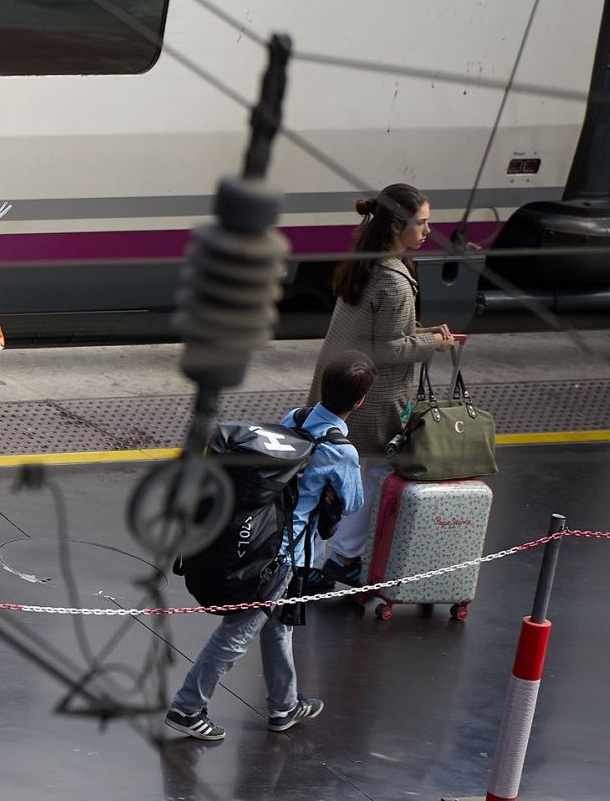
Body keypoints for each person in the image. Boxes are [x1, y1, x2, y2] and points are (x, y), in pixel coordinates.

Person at [166, 350, 375, 741]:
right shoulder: (341, 451)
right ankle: (187, 707)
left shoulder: (294, 418)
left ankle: (284, 705)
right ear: (360, 401)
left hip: (260, 538)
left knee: (278, 627)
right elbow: (355, 503)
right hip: (280, 557)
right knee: (237, 633)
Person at [309, 184, 457, 586]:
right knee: (365, 478)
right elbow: (389, 348)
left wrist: (422, 333)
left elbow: (375, 332)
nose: (428, 231)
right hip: (370, 399)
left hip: (336, 384)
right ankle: (343, 558)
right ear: (396, 226)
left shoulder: (365, 262)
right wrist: (434, 343)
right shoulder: (393, 279)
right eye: (422, 223)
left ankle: (314, 561)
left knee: (326, 477)